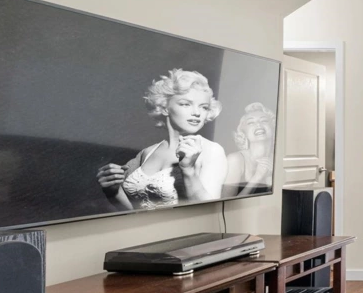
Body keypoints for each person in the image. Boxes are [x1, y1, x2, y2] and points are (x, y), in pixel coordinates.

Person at [97, 69, 227, 211]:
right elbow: (132, 212)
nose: (197, 113)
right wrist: (112, 191)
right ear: (164, 108)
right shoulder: (147, 152)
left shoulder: (212, 151)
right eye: (186, 104)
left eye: (204, 107)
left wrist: (188, 171)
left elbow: (209, 212)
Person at [224, 102, 276, 197]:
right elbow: (226, 204)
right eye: (251, 122)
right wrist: (257, 178)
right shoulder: (235, 160)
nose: (258, 125)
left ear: (273, 127)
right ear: (243, 132)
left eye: (264, 121)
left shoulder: (278, 159)